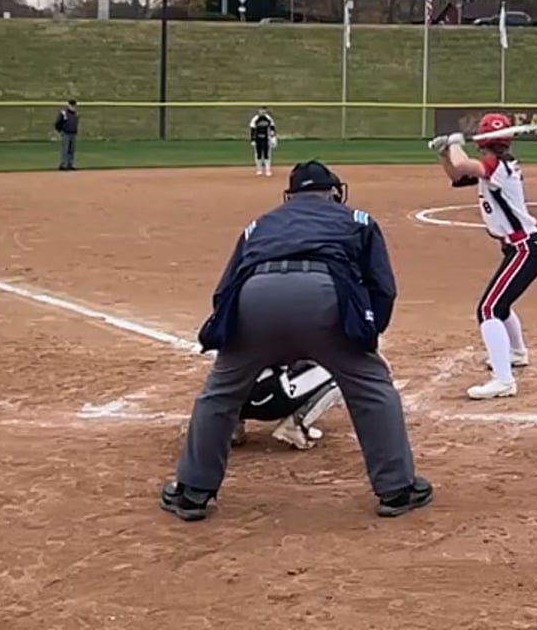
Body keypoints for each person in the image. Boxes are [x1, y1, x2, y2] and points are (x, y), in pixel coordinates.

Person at [160, 161, 431, 522]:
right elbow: (382, 287)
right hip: (323, 297)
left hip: (253, 298)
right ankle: (397, 490)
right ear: (334, 192)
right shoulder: (358, 220)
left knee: (220, 394)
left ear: (290, 195)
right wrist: (367, 338)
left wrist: (236, 339)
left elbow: (225, 290)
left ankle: (191, 493)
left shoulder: (260, 224)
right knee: (372, 389)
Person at [429, 115, 537, 400]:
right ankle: (517, 353)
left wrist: (455, 143)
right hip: (521, 248)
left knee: (489, 309)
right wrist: (445, 152)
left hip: (525, 248)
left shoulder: (497, 166)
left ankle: (503, 380)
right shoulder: (496, 167)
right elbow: (457, 175)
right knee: (500, 306)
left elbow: (463, 165)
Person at [230, 360, 344, 451]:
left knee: (231, 364)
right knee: (339, 373)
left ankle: (230, 427)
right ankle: (295, 425)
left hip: (231, 399)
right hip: (269, 399)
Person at [248, 108, 279, 177]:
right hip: (258, 139)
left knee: (266, 154)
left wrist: (273, 138)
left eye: (263, 111)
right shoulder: (255, 119)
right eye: (261, 111)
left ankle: (268, 170)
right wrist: (252, 139)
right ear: (258, 111)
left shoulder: (268, 119)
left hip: (266, 139)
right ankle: (259, 169)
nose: (262, 112)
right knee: (258, 154)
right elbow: (252, 130)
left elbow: (272, 128)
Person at [53, 100, 79, 170]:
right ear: (68, 105)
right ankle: (64, 164)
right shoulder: (64, 113)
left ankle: (71, 164)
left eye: (74, 106)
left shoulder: (76, 114)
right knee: (65, 149)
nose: (73, 107)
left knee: (72, 150)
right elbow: (57, 123)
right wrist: (61, 131)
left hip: (73, 134)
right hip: (66, 133)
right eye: (71, 106)